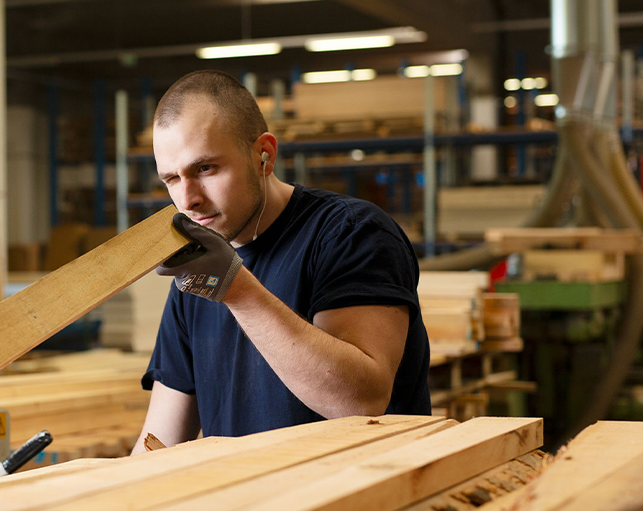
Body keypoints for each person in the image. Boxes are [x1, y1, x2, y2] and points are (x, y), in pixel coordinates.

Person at [131, 70, 431, 452]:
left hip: (360, 502)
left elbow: (361, 403)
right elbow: (160, 442)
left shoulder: (351, 232)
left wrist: (235, 288)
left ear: (264, 156)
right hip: (255, 505)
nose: (187, 199)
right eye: (171, 179)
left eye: (205, 169)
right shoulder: (198, 273)